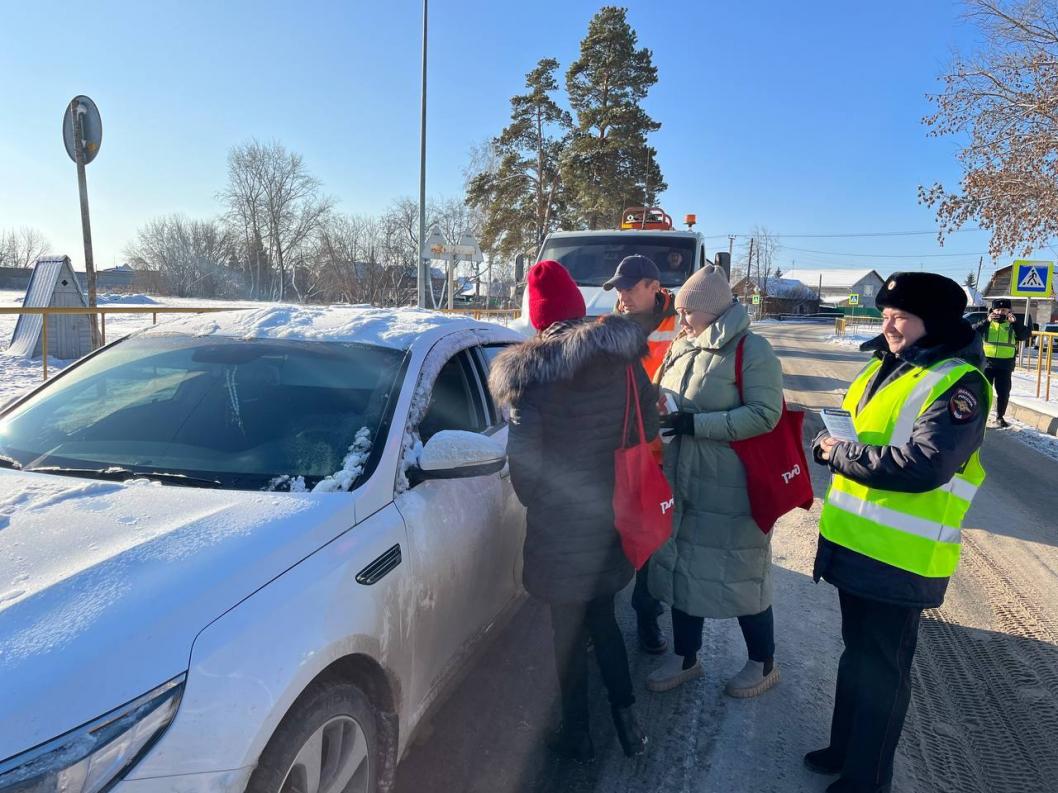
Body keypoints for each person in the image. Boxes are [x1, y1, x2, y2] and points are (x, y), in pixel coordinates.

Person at [807, 272, 988, 793]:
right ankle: (843, 750)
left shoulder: (959, 382)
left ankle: (867, 778)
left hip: (901, 557)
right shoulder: (881, 368)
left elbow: (925, 465)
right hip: (853, 543)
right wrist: (830, 437)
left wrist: (837, 453)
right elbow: (856, 428)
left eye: (900, 316)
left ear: (933, 322)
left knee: (883, 669)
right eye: (884, 315)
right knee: (857, 656)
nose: (887, 325)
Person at [488, 259, 655, 762]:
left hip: (561, 524)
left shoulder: (528, 375)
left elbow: (524, 464)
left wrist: (543, 503)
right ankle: (628, 723)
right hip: (613, 513)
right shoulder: (622, 358)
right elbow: (647, 419)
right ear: (577, 308)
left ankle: (576, 732)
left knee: (567, 634)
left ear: (539, 318)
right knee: (603, 617)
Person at [646, 265, 785, 698]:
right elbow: (660, 391)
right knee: (684, 568)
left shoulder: (751, 350)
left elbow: (766, 414)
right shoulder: (682, 347)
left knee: (742, 574)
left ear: (712, 309)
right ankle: (686, 655)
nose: (681, 319)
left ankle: (762, 663)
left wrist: (696, 425)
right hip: (681, 479)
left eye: (688, 311)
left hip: (731, 487)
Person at [603, 254, 679, 655]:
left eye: (631, 288)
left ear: (655, 287)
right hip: (618, 453)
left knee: (653, 542)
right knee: (614, 539)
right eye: (619, 289)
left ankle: (648, 616)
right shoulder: (607, 328)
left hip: (662, 451)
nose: (623, 296)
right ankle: (602, 621)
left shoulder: (680, 327)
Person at [973, 298, 1029, 427]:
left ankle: (1000, 417)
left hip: (1005, 365)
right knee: (983, 392)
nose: (1000, 312)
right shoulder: (987, 323)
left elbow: (1024, 336)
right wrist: (986, 321)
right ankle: (980, 417)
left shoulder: (1013, 324)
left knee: (1003, 393)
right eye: (997, 309)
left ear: (1009, 311)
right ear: (992, 310)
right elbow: (973, 332)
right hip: (986, 363)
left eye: (1004, 310)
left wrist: (1015, 323)